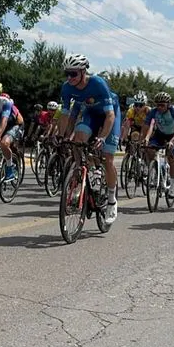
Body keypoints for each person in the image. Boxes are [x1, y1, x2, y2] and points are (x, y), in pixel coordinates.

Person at [57, 53, 121, 224]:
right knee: (77, 141)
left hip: (110, 114)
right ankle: (79, 178)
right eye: (67, 74)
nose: (70, 78)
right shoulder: (66, 88)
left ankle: (112, 199)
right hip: (91, 114)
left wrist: (102, 137)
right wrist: (63, 137)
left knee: (107, 159)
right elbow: (66, 116)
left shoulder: (98, 83)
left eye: (74, 74)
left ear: (83, 72)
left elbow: (110, 115)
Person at [141, 91, 174, 198]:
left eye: (162, 105)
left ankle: (173, 186)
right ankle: (155, 170)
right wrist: (146, 138)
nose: (159, 107)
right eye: (158, 105)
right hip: (160, 134)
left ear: (168, 104)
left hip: (173, 135)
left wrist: (172, 141)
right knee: (150, 149)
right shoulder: (154, 112)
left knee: (171, 157)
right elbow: (150, 125)